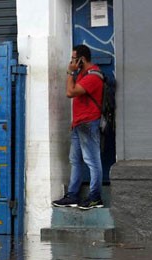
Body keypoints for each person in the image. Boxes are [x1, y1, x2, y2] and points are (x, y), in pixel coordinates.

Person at [53, 44, 104, 210]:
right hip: (78, 124)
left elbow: (70, 92)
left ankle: (95, 197)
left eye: (74, 59)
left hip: (89, 123)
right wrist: (74, 122)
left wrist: (70, 73)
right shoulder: (82, 74)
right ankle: (73, 195)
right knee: (75, 160)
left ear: (82, 59)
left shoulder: (93, 76)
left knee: (92, 161)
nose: (71, 62)